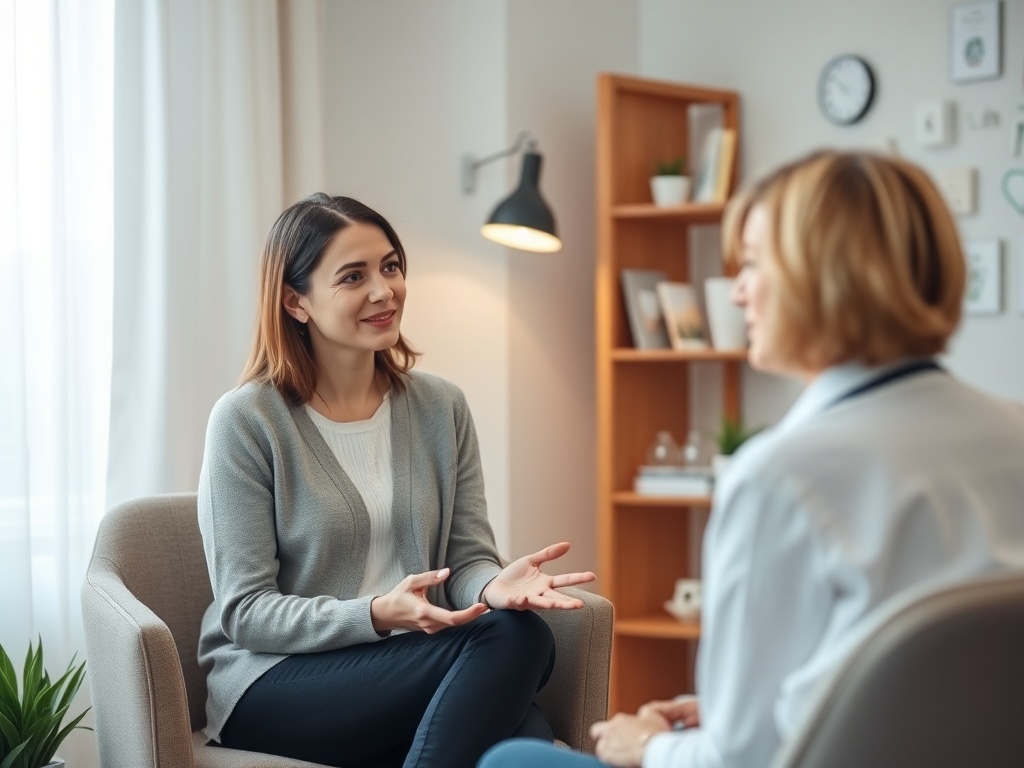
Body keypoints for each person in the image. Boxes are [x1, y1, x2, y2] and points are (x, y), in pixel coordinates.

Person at [478, 149, 1024, 768]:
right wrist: (738, 710)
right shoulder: (1013, 432)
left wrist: (648, 745)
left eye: (754, 264)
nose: (737, 292)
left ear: (825, 279)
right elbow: (926, 674)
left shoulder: (781, 478)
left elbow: (738, 760)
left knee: (512, 761)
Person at [196, 193, 596, 768]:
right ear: (295, 300)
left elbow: (465, 559)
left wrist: (491, 588)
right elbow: (247, 611)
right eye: (353, 276)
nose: (384, 291)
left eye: (390, 266)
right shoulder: (247, 420)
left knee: (522, 726)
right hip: (276, 680)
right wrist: (378, 613)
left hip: (406, 668)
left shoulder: (441, 407)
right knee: (519, 647)